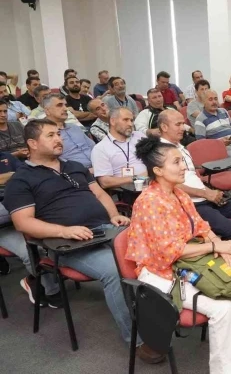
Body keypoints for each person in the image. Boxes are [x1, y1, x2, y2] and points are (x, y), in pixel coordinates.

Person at [3, 119, 164, 364]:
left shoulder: (74, 165)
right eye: (50, 135)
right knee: (116, 270)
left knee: (153, 249)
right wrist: (65, 231)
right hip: (68, 244)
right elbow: (23, 222)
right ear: (32, 143)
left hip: (105, 229)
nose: (59, 139)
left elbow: (99, 193)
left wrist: (114, 215)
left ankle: (163, 315)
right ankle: (138, 340)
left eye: (58, 133)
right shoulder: (21, 180)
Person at [127, 136, 231, 374]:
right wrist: (215, 248)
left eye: (182, 160)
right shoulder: (149, 202)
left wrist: (218, 243)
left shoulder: (178, 193)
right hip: (161, 273)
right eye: (176, 162)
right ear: (158, 170)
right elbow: (168, 251)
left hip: (189, 262)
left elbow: (201, 226)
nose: (184, 166)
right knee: (222, 309)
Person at [159, 110, 231, 250]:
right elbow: (172, 185)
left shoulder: (179, 147)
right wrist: (206, 194)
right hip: (191, 205)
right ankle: (228, 253)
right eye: (178, 124)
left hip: (204, 197)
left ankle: (225, 244)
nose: (183, 127)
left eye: (183, 123)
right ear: (164, 127)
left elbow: (193, 176)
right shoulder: (160, 151)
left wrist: (210, 192)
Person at [0, 151, 61, 308]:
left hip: (26, 207)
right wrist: (10, 176)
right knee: (32, 250)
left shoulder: (5, 156)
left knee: (63, 230)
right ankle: (51, 292)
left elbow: (26, 174)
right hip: (6, 225)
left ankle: (38, 278)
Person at [91, 107, 147, 189]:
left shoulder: (139, 136)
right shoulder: (100, 149)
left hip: (154, 181)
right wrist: (136, 178)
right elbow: (105, 182)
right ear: (113, 121)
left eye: (131, 120)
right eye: (125, 120)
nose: (130, 124)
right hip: (131, 190)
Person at [43, 94, 95, 170]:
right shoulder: (45, 133)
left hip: (98, 166)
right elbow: (54, 160)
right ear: (47, 111)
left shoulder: (74, 127)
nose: (65, 109)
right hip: (75, 173)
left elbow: (93, 146)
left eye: (65, 105)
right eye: (59, 105)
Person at [194, 90, 231, 158]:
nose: (214, 102)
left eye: (216, 99)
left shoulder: (223, 111)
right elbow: (201, 143)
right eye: (210, 99)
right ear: (203, 102)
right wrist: (218, 143)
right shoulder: (200, 119)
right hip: (223, 147)